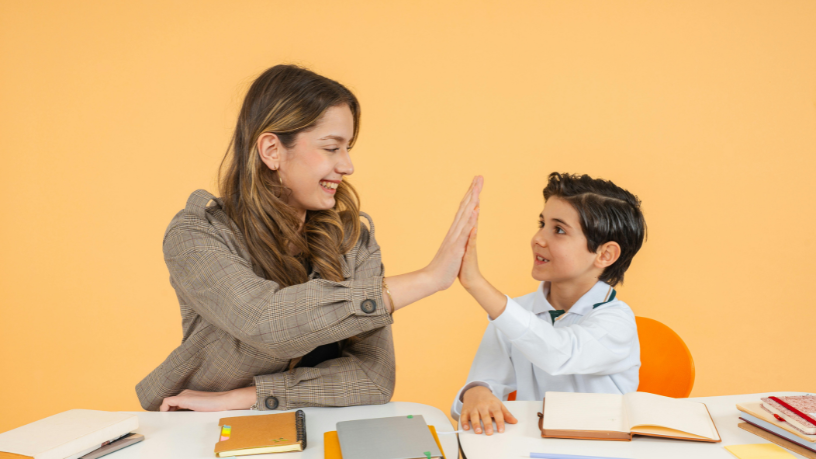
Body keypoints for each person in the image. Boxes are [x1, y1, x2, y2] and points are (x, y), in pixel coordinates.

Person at [136, 64, 483, 412]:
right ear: (272, 150)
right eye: (332, 148)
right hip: (204, 426)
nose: (347, 166)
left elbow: (373, 378)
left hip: (310, 424)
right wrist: (428, 279)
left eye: (347, 148)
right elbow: (265, 322)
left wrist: (251, 395)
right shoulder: (197, 234)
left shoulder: (353, 241)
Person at [452, 172, 646, 435]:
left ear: (605, 254)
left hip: (601, 448)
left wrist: (476, 283)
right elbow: (484, 381)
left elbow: (558, 354)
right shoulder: (512, 312)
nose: (538, 239)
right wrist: (477, 392)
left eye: (559, 230)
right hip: (529, 446)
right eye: (541, 224)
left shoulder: (616, 322)